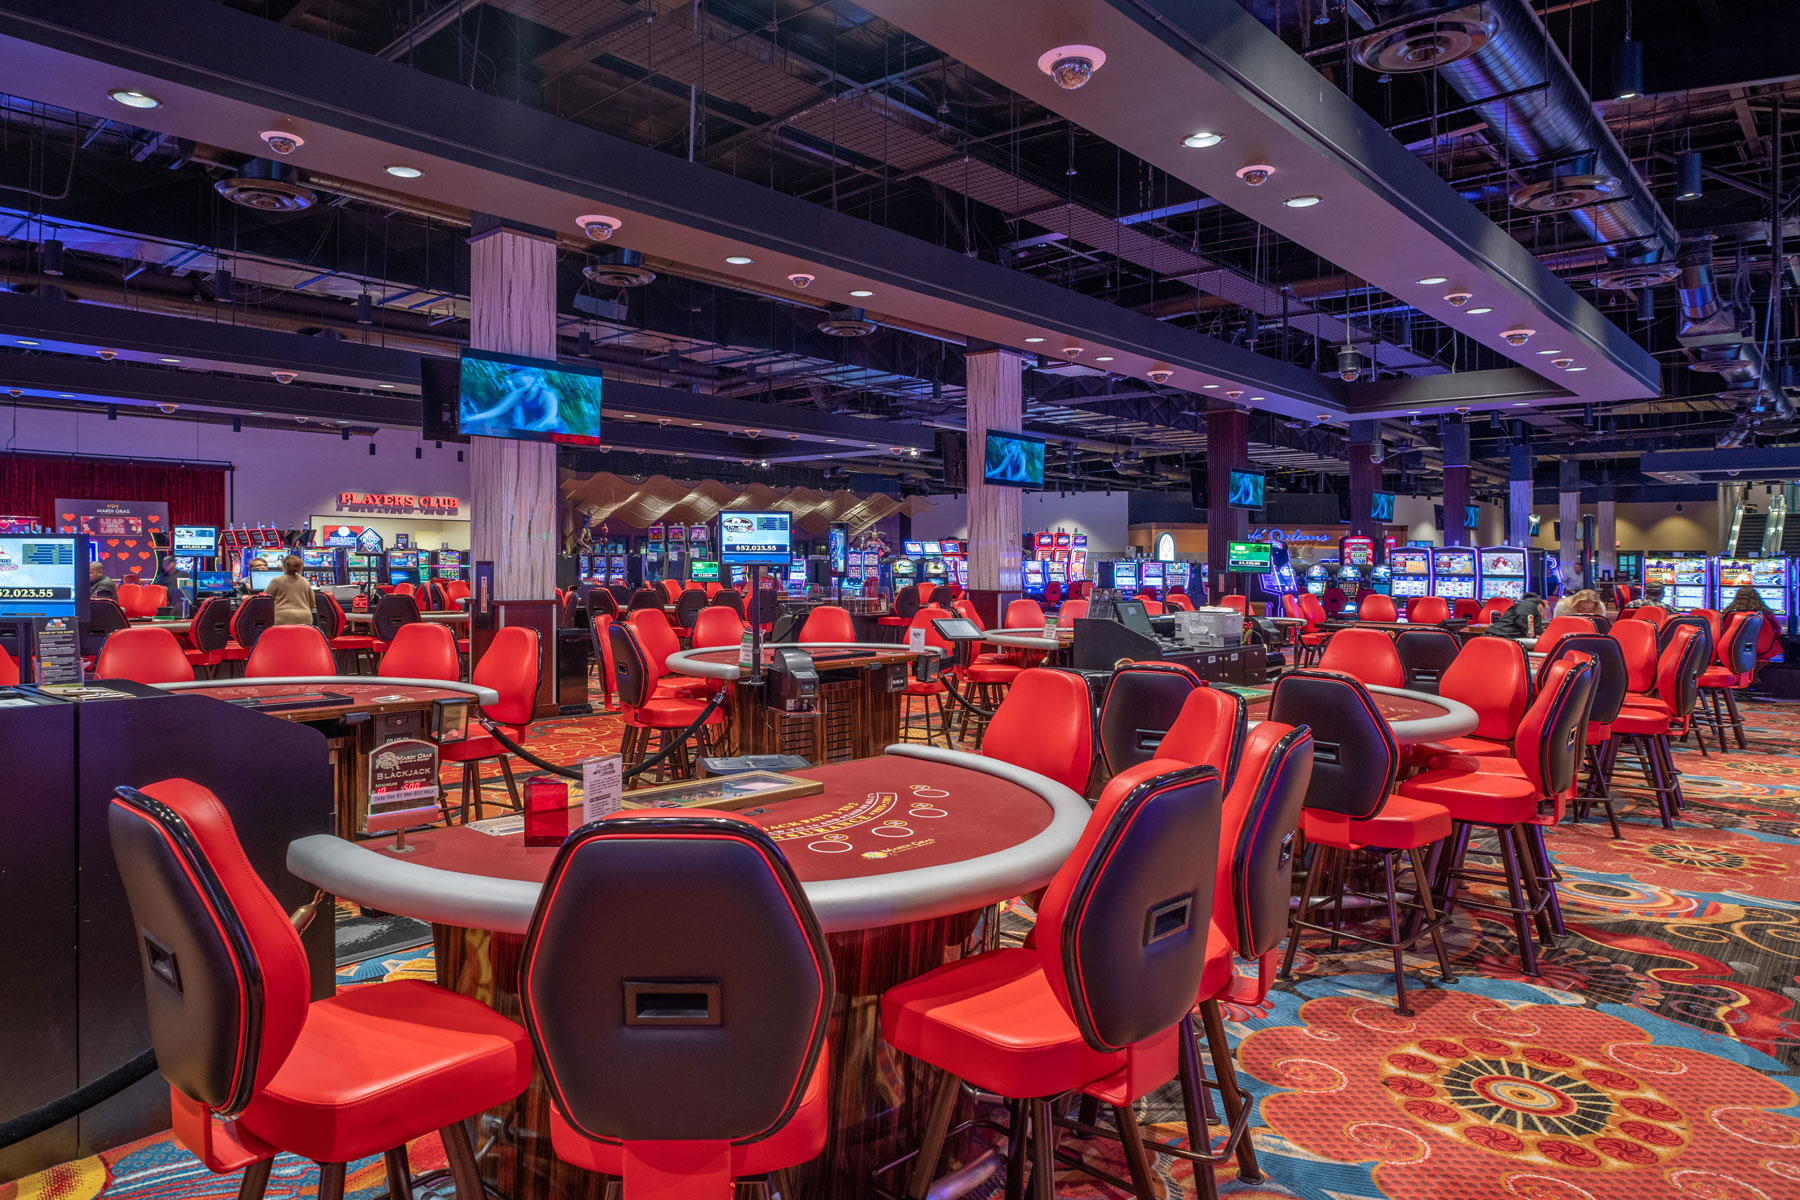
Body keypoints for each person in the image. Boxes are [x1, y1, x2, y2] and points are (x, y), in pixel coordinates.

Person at [265, 554, 316, 626]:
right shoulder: (304, 581)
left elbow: (264, 600)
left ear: (284, 567)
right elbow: (312, 603)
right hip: (305, 618)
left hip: (282, 618)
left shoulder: (277, 581)